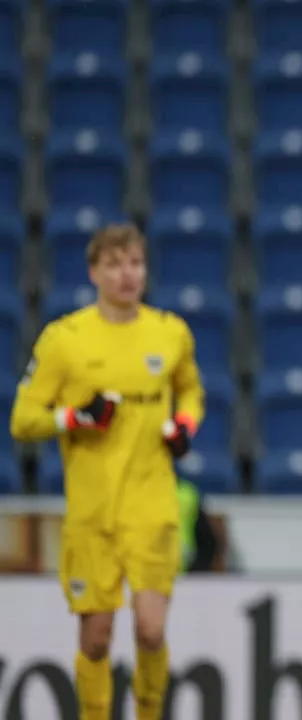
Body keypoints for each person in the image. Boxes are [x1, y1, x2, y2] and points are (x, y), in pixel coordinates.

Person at [10, 224, 205, 720]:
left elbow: (191, 392)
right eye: (115, 264)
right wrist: (73, 417)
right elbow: (23, 420)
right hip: (93, 512)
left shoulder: (170, 333)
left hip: (152, 504)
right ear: (94, 272)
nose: (127, 274)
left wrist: (184, 426)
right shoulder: (64, 340)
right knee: (96, 638)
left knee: (151, 629)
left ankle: (149, 713)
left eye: (135, 263)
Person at [177, 477, 220, 573]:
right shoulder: (188, 492)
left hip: (180, 560)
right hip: (186, 556)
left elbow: (205, 534)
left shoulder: (188, 493)